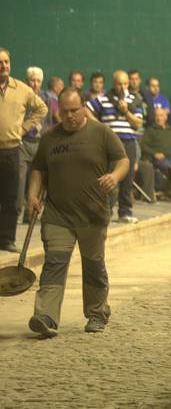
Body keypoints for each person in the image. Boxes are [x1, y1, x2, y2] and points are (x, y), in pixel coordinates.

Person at [26, 87, 129, 338]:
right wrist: (32, 194)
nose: (70, 116)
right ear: (58, 110)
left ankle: (96, 313)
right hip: (57, 215)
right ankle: (46, 317)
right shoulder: (50, 138)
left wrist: (114, 177)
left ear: (84, 107)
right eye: (64, 111)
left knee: (93, 265)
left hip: (92, 214)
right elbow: (39, 169)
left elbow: (123, 160)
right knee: (54, 264)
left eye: (74, 110)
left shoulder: (101, 133)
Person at [0, 48, 48, 252]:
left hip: (11, 150)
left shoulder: (21, 88)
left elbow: (42, 108)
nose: (3, 66)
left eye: (6, 62)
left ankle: (6, 240)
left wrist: (24, 128)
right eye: (0, 62)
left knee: (11, 198)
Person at [86, 70, 144, 224]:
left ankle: (125, 212)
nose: (122, 87)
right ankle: (105, 211)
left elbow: (138, 124)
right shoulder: (104, 98)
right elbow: (86, 109)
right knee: (109, 177)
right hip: (110, 144)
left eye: (125, 83)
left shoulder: (135, 99)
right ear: (113, 83)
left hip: (129, 143)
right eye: (119, 83)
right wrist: (100, 127)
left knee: (128, 178)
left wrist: (126, 112)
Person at [18, 66, 46, 224]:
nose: (35, 84)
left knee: (37, 180)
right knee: (20, 180)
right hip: (22, 142)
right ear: (25, 81)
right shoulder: (20, 96)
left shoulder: (46, 99)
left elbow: (49, 121)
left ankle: (31, 214)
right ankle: (16, 212)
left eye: (38, 81)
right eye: (32, 80)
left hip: (39, 143)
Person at [142, 107, 171, 191]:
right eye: (157, 116)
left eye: (161, 115)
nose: (159, 118)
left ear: (165, 117)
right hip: (162, 159)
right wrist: (154, 153)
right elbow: (143, 146)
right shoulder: (151, 130)